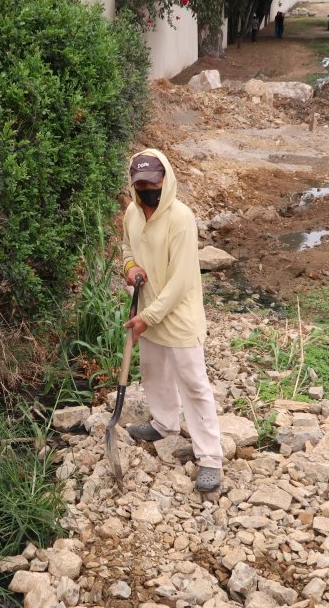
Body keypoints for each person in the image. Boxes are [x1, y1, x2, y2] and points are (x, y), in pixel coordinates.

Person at [120, 149, 222, 492]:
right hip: (149, 312)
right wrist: (131, 268)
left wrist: (147, 317)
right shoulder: (132, 215)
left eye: (154, 181)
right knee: (154, 375)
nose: (148, 188)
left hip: (177, 317)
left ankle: (210, 458)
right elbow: (126, 250)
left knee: (194, 386)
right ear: (134, 184)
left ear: (165, 179)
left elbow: (180, 281)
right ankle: (164, 423)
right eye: (142, 183)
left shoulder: (180, 218)